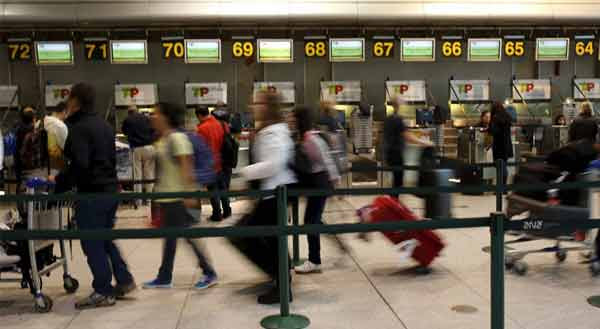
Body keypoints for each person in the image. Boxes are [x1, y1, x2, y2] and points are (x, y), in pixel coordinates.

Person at [52, 83, 136, 309]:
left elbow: (80, 164)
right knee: (106, 238)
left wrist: (59, 185)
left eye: (69, 97)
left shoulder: (79, 128)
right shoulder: (103, 125)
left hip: (91, 194)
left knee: (92, 244)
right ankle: (124, 279)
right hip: (110, 190)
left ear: (76, 101)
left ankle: (103, 290)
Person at [143, 102, 218, 290]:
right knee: (173, 237)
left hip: (177, 197)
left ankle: (208, 273)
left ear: (166, 117)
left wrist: (189, 193)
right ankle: (165, 276)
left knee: (186, 235)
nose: (153, 117)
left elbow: (186, 166)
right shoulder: (163, 138)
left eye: (156, 113)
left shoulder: (177, 139)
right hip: (168, 198)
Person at [238, 91, 296, 304]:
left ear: (268, 106)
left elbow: (274, 164)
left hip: (275, 193)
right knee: (270, 239)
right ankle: (280, 275)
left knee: (251, 235)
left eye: (258, 102)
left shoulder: (274, 132)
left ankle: (282, 286)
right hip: (273, 192)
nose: (253, 105)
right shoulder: (271, 129)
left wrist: (246, 172)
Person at [292, 105, 340, 274]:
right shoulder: (305, 137)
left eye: (293, 118)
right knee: (315, 220)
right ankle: (337, 240)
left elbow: (326, 160)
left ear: (300, 120)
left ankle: (314, 261)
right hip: (317, 183)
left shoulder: (311, 139)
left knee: (310, 222)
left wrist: (335, 181)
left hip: (320, 183)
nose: (291, 120)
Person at [383, 97, 432, 198]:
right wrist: (423, 142)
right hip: (396, 153)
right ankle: (393, 205)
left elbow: (403, 131)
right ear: (398, 104)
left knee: (396, 180)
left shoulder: (388, 118)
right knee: (398, 180)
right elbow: (407, 136)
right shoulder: (398, 119)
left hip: (389, 152)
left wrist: (419, 132)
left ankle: (394, 203)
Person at [195, 106, 230, 221]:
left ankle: (217, 214)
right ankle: (227, 210)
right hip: (220, 161)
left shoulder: (201, 129)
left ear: (199, 115)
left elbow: (199, 148)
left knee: (213, 190)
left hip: (208, 164)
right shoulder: (219, 124)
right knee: (223, 188)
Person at [121, 105, 156, 204]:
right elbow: (153, 131)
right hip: (149, 147)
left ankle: (138, 201)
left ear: (129, 112)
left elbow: (124, 132)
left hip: (136, 148)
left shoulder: (128, 119)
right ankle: (149, 200)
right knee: (149, 174)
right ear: (137, 110)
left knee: (137, 175)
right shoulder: (146, 118)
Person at [212, 108, 234, 205]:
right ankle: (226, 204)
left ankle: (221, 204)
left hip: (219, 160)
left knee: (218, 185)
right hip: (228, 159)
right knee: (226, 182)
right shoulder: (227, 126)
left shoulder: (216, 126)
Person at [489, 102, 514, 185]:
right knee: (504, 166)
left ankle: (500, 188)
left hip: (498, 146)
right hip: (507, 145)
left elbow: (494, 131)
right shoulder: (507, 117)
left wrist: (488, 130)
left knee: (500, 168)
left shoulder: (495, 118)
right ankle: (504, 187)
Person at [44, 101, 69, 175]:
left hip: (43, 163)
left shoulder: (42, 121)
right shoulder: (61, 126)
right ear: (64, 111)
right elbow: (66, 147)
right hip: (57, 164)